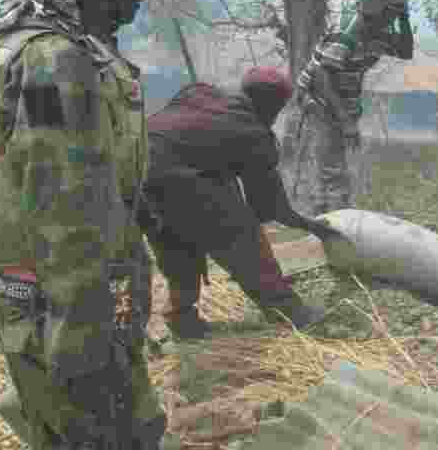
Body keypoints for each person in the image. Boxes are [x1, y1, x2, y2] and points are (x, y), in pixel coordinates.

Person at [0, 0, 167, 448]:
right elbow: (66, 202)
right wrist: (82, 335)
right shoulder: (51, 59)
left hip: (26, 299)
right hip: (70, 303)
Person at [142, 65, 341, 340]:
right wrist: (312, 225)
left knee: (176, 245)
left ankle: (181, 318)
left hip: (138, 173)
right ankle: (291, 312)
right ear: (273, 107)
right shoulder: (255, 133)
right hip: (181, 181)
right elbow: (270, 207)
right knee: (242, 236)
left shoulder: (199, 92)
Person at [293, 0, 414, 215]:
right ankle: (340, 223)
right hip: (320, 101)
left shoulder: (377, 34)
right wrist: (346, 121)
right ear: (379, 11)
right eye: (392, 14)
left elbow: (406, 51)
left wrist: (405, 18)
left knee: (330, 164)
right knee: (334, 170)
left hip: (341, 102)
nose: (393, 20)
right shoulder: (347, 35)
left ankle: (323, 214)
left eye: (397, 15)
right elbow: (320, 75)